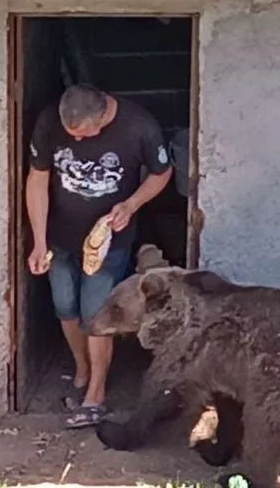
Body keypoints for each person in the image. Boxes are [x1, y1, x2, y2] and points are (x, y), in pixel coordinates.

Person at [25, 83, 173, 429]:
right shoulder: (49, 122)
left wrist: (132, 204)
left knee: (96, 313)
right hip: (59, 238)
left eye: (82, 134)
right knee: (64, 306)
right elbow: (37, 179)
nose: (75, 141)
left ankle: (96, 392)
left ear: (102, 117)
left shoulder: (139, 126)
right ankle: (81, 368)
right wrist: (38, 239)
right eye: (70, 135)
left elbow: (162, 172)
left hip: (111, 241)